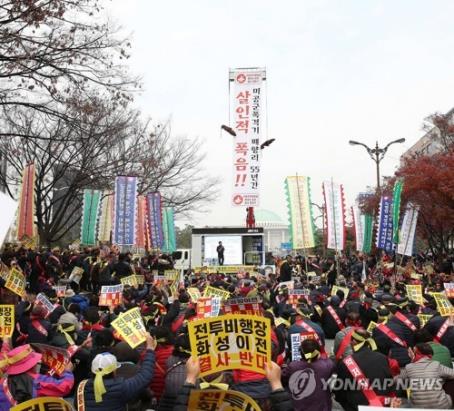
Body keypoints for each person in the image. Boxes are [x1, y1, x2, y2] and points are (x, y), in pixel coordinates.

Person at [75, 333, 157, 411]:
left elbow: (77, 405)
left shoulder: (81, 386)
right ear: (114, 370)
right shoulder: (122, 387)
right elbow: (146, 375)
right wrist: (150, 349)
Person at [334, 329, 396, 411]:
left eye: (351, 341)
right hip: (381, 403)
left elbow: (339, 393)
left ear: (354, 342)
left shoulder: (345, 363)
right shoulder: (383, 358)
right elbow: (390, 383)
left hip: (356, 406)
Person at [0, 343, 74, 410]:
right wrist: (68, 371)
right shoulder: (36, 380)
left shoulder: (4, 379)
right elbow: (64, 386)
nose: (38, 362)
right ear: (30, 365)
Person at [282, 338, 335, 411]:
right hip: (321, 406)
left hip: (298, 406)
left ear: (301, 352)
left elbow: (282, 379)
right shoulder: (328, 365)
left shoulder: (293, 366)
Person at [395, 342, 454, 409]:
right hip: (442, 406)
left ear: (416, 354)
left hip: (417, 407)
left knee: (400, 384)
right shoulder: (436, 365)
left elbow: (396, 380)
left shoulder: (409, 367)